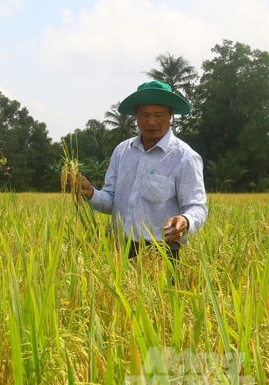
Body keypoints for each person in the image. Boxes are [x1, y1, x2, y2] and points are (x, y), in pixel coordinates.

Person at [79, 81, 208, 259]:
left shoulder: (185, 157)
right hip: (119, 250)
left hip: (161, 253)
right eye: (145, 114)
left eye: (159, 115)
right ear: (136, 116)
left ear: (170, 115)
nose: (151, 121)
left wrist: (186, 220)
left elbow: (197, 206)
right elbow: (112, 202)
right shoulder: (122, 151)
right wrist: (90, 193)